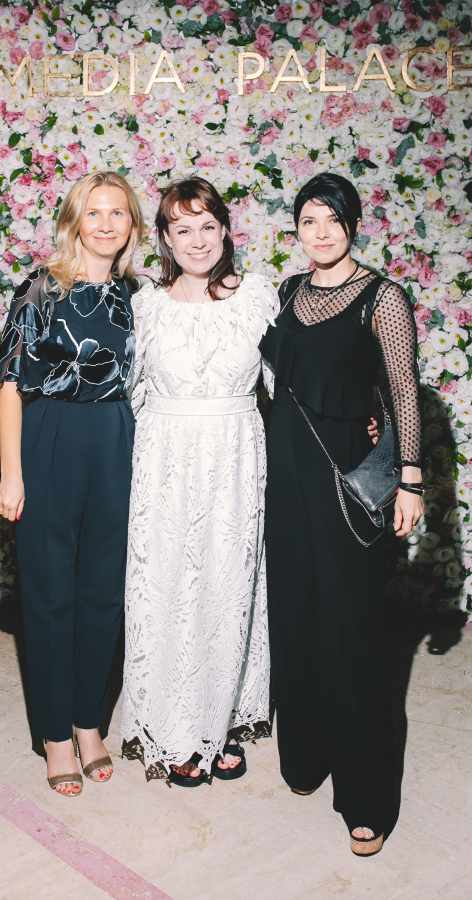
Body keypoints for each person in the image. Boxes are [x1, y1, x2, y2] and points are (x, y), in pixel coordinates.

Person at [259, 172, 424, 855]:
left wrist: (410, 480)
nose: (320, 233)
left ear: (353, 225)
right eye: (309, 221)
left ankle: (366, 799)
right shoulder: (287, 292)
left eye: (332, 220)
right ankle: (305, 757)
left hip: (345, 487)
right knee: (294, 618)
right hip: (285, 483)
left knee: (352, 634)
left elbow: (404, 389)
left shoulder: (382, 297)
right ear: (297, 230)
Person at [0, 171, 144, 796]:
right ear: (75, 220)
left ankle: (88, 723)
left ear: (132, 225)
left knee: (104, 593)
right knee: (50, 595)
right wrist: (12, 474)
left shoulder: (138, 295)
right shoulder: (41, 288)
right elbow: (9, 384)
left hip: (116, 439)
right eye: (94, 212)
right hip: (49, 436)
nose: (106, 224)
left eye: (118, 213)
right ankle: (55, 735)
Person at [121, 177, 278, 785]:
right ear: (164, 238)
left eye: (207, 226)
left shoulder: (258, 297)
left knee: (228, 587)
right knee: (168, 587)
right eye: (181, 229)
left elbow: (289, 385)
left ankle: (223, 716)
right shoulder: (146, 305)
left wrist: (363, 419)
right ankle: (175, 726)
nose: (196, 240)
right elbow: (127, 392)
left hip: (235, 460)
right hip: (164, 464)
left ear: (225, 231)